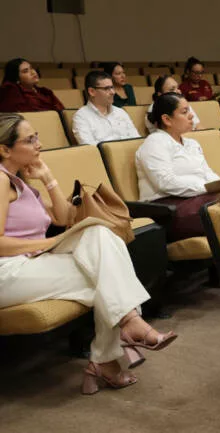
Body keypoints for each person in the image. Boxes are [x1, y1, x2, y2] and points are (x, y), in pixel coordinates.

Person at [0, 113, 176, 395]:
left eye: (37, 137)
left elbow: (64, 217)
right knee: (106, 277)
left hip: (32, 264)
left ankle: (118, 342)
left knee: (100, 235)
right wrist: (48, 243)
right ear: (5, 149)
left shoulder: (21, 184)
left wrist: (48, 178)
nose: (39, 144)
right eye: (30, 140)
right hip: (8, 272)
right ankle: (112, 349)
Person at [136, 93, 219, 241]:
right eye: (184, 112)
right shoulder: (154, 143)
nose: (191, 116)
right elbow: (165, 182)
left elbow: (207, 172)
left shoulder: (192, 143)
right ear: (167, 119)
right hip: (167, 209)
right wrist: (206, 187)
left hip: (198, 198)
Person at [72, 71, 140, 146]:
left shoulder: (120, 112)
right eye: (107, 88)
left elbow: (137, 140)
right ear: (92, 91)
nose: (113, 92)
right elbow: (90, 148)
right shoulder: (81, 116)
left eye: (112, 87)